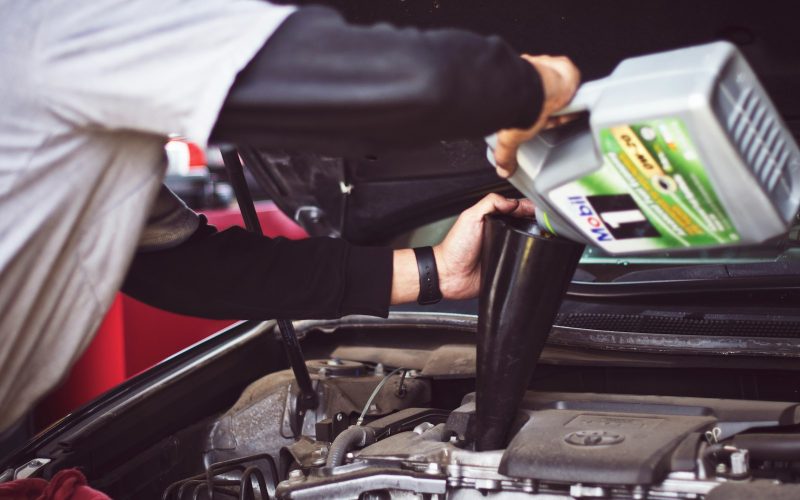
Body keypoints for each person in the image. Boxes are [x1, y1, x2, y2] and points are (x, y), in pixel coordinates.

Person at [0, 0, 579, 434]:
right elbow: (400, 79)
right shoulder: (59, 23)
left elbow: (181, 266)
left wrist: (434, 273)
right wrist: (540, 85)